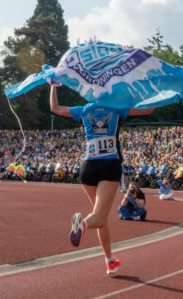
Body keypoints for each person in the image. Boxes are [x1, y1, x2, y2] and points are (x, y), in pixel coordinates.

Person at [50, 85, 154, 276]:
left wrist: (53, 86)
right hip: (109, 165)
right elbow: (149, 109)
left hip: (88, 166)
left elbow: (55, 108)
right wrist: (152, 88)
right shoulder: (116, 107)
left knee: (101, 217)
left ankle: (109, 261)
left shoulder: (84, 109)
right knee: (97, 217)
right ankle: (83, 225)